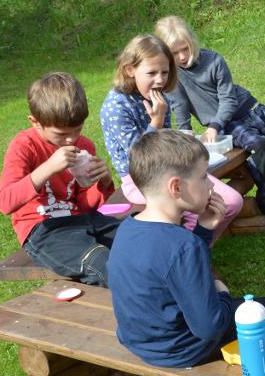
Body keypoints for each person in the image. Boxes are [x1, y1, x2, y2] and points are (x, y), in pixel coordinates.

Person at [107, 130, 255, 376]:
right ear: (176, 187)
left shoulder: (128, 227)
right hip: (181, 350)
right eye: (203, 177)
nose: (210, 185)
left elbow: (173, 272)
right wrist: (223, 294)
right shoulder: (183, 246)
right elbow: (209, 327)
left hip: (140, 342)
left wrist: (204, 230)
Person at [157, 15, 265, 229]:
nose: (182, 56)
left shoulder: (213, 60)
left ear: (192, 41)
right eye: (175, 53)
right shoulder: (173, 77)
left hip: (251, 110)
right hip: (229, 126)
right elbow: (180, 108)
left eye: (185, 48)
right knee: (259, 147)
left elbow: (228, 98)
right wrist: (187, 137)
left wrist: (214, 125)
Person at [99, 34, 243, 242]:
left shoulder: (157, 95)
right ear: (130, 70)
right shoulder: (117, 106)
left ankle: (199, 246)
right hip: (140, 180)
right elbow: (138, 157)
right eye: (152, 73)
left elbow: (165, 142)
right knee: (189, 207)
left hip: (170, 168)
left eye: (165, 72)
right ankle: (186, 248)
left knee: (232, 202)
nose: (160, 79)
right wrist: (156, 121)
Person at [0, 72, 121, 285]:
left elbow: (85, 205)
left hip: (82, 220)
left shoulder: (84, 145)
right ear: (35, 122)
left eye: (77, 130)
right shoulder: (24, 146)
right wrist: (49, 167)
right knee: (100, 262)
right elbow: (5, 202)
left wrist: (103, 182)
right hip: (44, 230)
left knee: (137, 238)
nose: (71, 139)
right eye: (61, 134)